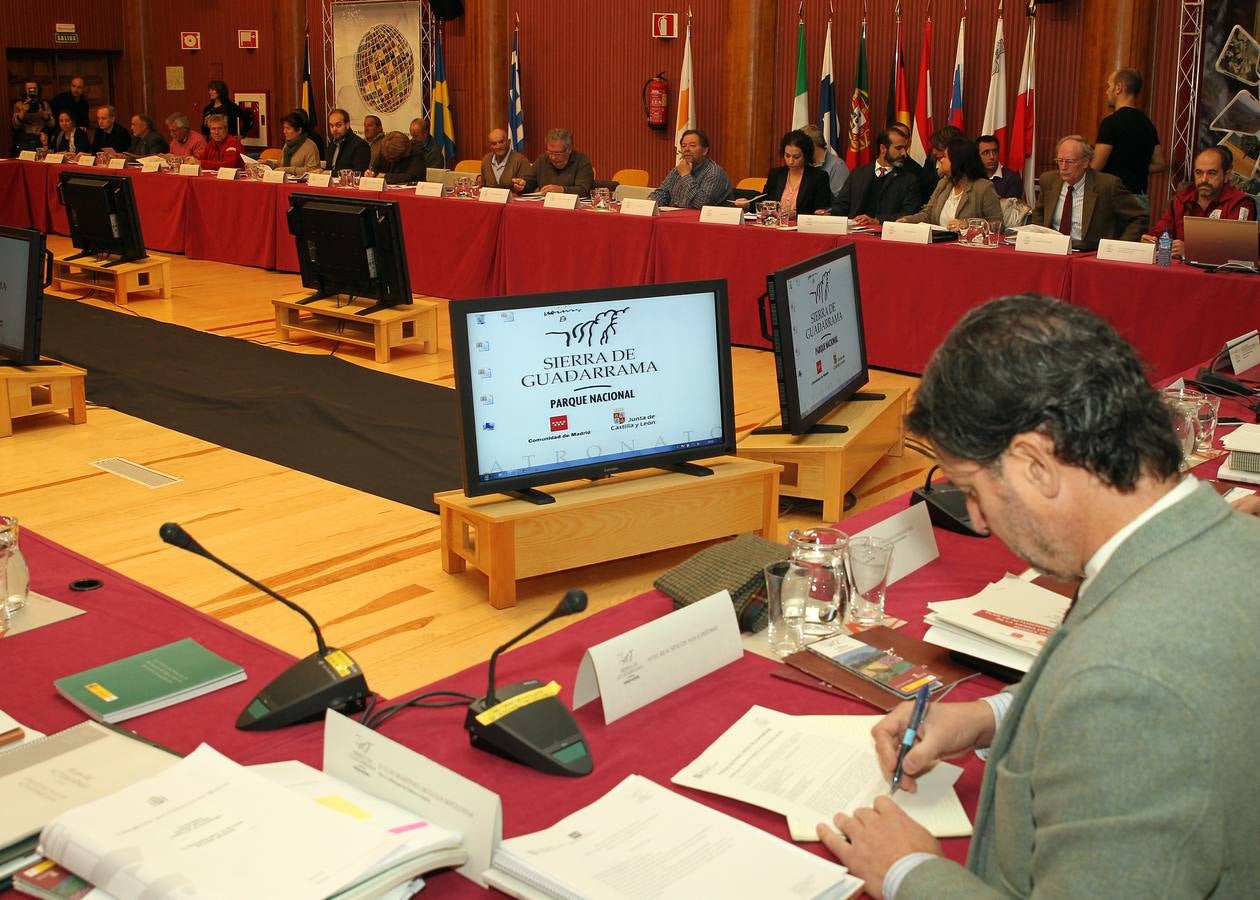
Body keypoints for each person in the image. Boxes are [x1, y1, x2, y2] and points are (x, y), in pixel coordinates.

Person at [818, 294, 1260, 900]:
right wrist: (991, 715)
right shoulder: (1222, 538)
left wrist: (910, 871)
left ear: (1033, 462)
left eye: (972, 488)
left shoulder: (1127, 684)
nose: (975, 519)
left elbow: (1122, 696)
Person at [1028, 135, 1148, 249]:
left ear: (1085, 162)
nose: (1063, 167)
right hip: (1053, 249)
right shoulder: (1048, 180)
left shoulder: (1108, 185)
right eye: (1060, 160)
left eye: (1069, 161)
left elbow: (1139, 217)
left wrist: (1120, 248)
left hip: (1091, 254)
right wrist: (1040, 238)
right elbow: (1039, 211)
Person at [1142, 146, 1256, 258]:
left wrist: (1190, 251)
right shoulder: (1180, 200)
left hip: (1222, 275)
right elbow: (1160, 231)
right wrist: (1151, 240)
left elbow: (1238, 252)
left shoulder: (1240, 203)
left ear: (1226, 176)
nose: (1203, 179)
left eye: (1211, 173)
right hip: (1180, 272)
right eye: (1198, 172)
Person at [1093, 68, 1166, 205]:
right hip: (1140, 199)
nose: (1107, 91)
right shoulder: (1147, 124)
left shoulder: (1110, 123)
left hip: (1113, 199)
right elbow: (1160, 163)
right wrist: (1136, 168)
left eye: (1109, 86)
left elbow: (1097, 165)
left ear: (1118, 88)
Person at [899, 137, 1002, 228]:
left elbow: (998, 224)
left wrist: (967, 224)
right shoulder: (943, 183)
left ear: (958, 161)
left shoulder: (983, 187)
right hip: (939, 244)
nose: (942, 160)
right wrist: (907, 220)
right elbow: (927, 214)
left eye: (945, 157)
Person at [829, 128, 921, 225]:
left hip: (885, 233)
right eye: (899, 148)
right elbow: (842, 204)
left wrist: (878, 220)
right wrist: (829, 213)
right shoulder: (859, 173)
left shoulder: (909, 180)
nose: (904, 153)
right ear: (883, 149)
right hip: (854, 229)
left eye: (905, 148)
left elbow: (908, 214)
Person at [649, 128, 734, 208]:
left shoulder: (714, 172)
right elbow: (661, 193)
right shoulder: (678, 170)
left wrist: (686, 175)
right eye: (683, 146)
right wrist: (651, 202)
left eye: (692, 145)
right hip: (675, 217)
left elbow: (701, 204)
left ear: (705, 151)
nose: (686, 149)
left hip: (704, 221)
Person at [758, 130, 832, 215]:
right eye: (787, 155)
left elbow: (821, 210)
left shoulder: (818, 177)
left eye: (796, 157)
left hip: (803, 226)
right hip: (776, 223)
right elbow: (764, 201)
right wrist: (747, 204)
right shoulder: (776, 174)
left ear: (806, 155)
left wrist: (797, 214)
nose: (790, 161)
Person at [525, 128, 594, 197]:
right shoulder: (542, 160)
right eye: (550, 152)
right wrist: (522, 185)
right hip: (545, 204)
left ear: (569, 150)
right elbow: (530, 183)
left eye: (557, 153)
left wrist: (562, 190)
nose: (553, 157)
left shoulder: (582, 161)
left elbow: (584, 190)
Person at [800, 124, 850, 195]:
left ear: (810, 144)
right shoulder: (805, 165)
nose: (798, 150)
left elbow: (839, 202)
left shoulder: (837, 166)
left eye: (801, 145)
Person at [480, 127, 531, 192]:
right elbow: (482, 187)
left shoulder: (521, 161)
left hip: (512, 201)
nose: (498, 146)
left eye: (501, 142)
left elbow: (526, 189)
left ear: (509, 142)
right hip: (489, 201)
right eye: (494, 143)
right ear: (490, 146)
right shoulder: (486, 160)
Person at [323, 108, 371, 176]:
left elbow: (358, 172)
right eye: (331, 126)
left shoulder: (360, 145)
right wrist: (321, 171)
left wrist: (329, 173)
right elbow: (329, 168)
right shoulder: (332, 144)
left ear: (347, 125)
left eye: (338, 125)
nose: (334, 129)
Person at [976, 134, 1025, 200]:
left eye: (995, 151)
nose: (992, 157)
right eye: (986, 153)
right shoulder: (973, 177)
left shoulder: (1012, 179)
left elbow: (1009, 208)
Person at [11, 81, 52, 152]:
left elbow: (52, 124)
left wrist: (43, 114)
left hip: (41, 141)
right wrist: (23, 111)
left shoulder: (44, 105)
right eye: (30, 89)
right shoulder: (19, 104)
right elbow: (15, 125)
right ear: (24, 90)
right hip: (25, 141)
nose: (32, 91)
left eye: (35, 88)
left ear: (38, 90)